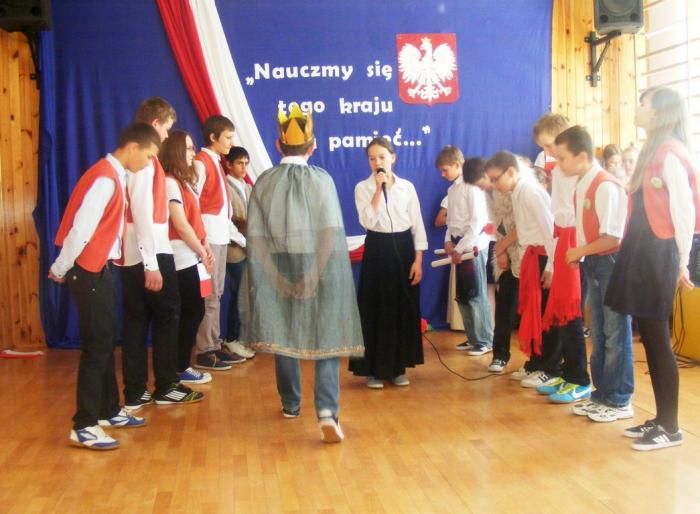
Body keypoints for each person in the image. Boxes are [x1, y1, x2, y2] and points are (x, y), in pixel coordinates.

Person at [239, 103, 364, 443]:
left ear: (278, 145)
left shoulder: (264, 182)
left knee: (283, 330)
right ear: (313, 146)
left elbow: (257, 237)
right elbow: (329, 232)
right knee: (328, 334)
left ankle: (291, 403)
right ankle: (326, 411)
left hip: (278, 260)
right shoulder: (322, 180)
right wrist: (314, 274)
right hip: (321, 263)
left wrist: (276, 277)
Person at [49, 123, 160, 450]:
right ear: (133, 147)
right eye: (148, 156)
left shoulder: (114, 175)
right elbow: (80, 231)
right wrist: (60, 267)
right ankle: (84, 425)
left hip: (100, 268)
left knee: (106, 341)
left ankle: (108, 410)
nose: (148, 164)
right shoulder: (105, 179)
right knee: (96, 347)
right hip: (88, 270)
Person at [606, 86, 699, 451]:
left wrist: (681, 260)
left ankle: (671, 427)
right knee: (649, 334)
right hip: (641, 248)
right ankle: (660, 419)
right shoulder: (652, 150)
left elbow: (684, 211)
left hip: (658, 251)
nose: (637, 108)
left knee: (658, 339)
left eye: (642, 104)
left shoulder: (671, 152)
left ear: (659, 113)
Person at [119, 97, 200, 409]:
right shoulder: (146, 160)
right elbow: (141, 211)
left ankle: (136, 390)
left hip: (136, 252)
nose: (167, 135)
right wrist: (151, 263)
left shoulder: (138, 158)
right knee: (167, 315)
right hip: (150, 252)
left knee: (137, 321)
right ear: (155, 124)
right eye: (167, 128)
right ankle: (165, 385)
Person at [556, 125, 634, 423]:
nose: (558, 164)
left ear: (581, 156)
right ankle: (602, 394)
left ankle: (620, 398)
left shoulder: (605, 186)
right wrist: (581, 253)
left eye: (562, 158)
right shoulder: (582, 184)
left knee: (616, 333)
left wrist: (579, 251)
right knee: (599, 332)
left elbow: (612, 237)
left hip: (611, 262)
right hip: (594, 262)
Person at [349, 137, 427, 388]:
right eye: (372, 158)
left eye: (382, 157)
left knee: (400, 308)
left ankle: (397, 368)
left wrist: (418, 260)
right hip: (377, 249)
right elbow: (366, 221)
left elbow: (417, 225)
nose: (377, 162)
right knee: (375, 308)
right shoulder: (362, 187)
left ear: (393, 157)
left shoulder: (407, 187)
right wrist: (377, 190)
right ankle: (372, 369)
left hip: (404, 249)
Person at [484, 151, 562, 387]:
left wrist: (551, 266)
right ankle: (536, 362)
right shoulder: (517, 192)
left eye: (496, 179)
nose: (494, 185)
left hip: (544, 257)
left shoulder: (530, 192)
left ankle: (551, 368)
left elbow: (550, 230)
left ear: (511, 171)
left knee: (547, 316)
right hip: (531, 256)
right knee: (534, 313)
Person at [529, 113, 591, 402]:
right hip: (563, 241)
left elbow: (580, 216)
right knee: (561, 316)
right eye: (544, 148)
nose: (549, 152)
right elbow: (558, 216)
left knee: (572, 316)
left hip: (578, 247)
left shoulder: (579, 170)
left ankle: (580, 378)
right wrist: (553, 262)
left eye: (550, 145)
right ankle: (568, 373)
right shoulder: (560, 170)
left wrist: (576, 252)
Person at [193, 115, 247, 370]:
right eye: (227, 137)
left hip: (220, 238)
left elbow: (223, 214)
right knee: (209, 296)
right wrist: (201, 241)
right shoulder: (201, 163)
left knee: (217, 294)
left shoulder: (215, 162)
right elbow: (192, 204)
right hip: (209, 241)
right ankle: (205, 350)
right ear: (212, 137)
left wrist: (240, 239)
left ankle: (213, 344)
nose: (231, 143)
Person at [163, 130, 215, 388]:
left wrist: (205, 243)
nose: (193, 153)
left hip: (192, 253)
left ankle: (181, 364)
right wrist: (201, 250)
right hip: (181, 256)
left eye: (193, 147)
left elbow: (195, 221)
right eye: (188, 148)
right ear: (175, 151)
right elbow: (181, 224)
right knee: (190, 311)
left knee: (195, 310)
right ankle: (180, 366)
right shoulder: (170, 182)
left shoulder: (184, 182)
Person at [464, 158, 524, 373]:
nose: (484, 188)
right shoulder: (488, 195)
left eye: (483, 183)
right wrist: (502, 251)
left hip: (525, 252)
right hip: (504, 252)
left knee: (531, 309)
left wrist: (502, 247)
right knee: (504, 306)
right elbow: (496, 227)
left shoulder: (515, 190)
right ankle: (500, 355)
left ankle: (538, 361)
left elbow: (523, 224)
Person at [437, 146, 494, 356]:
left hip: (473, 246)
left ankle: (485, 340)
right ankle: (473, 337)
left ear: (457, 164)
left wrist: (460, 248)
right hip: (459, 246)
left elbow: (477, 222)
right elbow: (451, 221)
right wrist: (448, 241)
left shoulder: (472, 188)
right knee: (463, 296)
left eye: (445, 170)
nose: (443, 175)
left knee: (476, 295)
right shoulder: (452, 190)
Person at [222, 146, 255, 360]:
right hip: (233, 249)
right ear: (229, 164)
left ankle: (241, 336)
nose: (243, 168)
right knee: (238, 293)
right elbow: (229, 220)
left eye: (246, 163)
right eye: (239, 163)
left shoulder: (248, 187)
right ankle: (231, 338)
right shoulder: (225, 187)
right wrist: (244, 230)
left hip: (249, 246)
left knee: (246, 294)